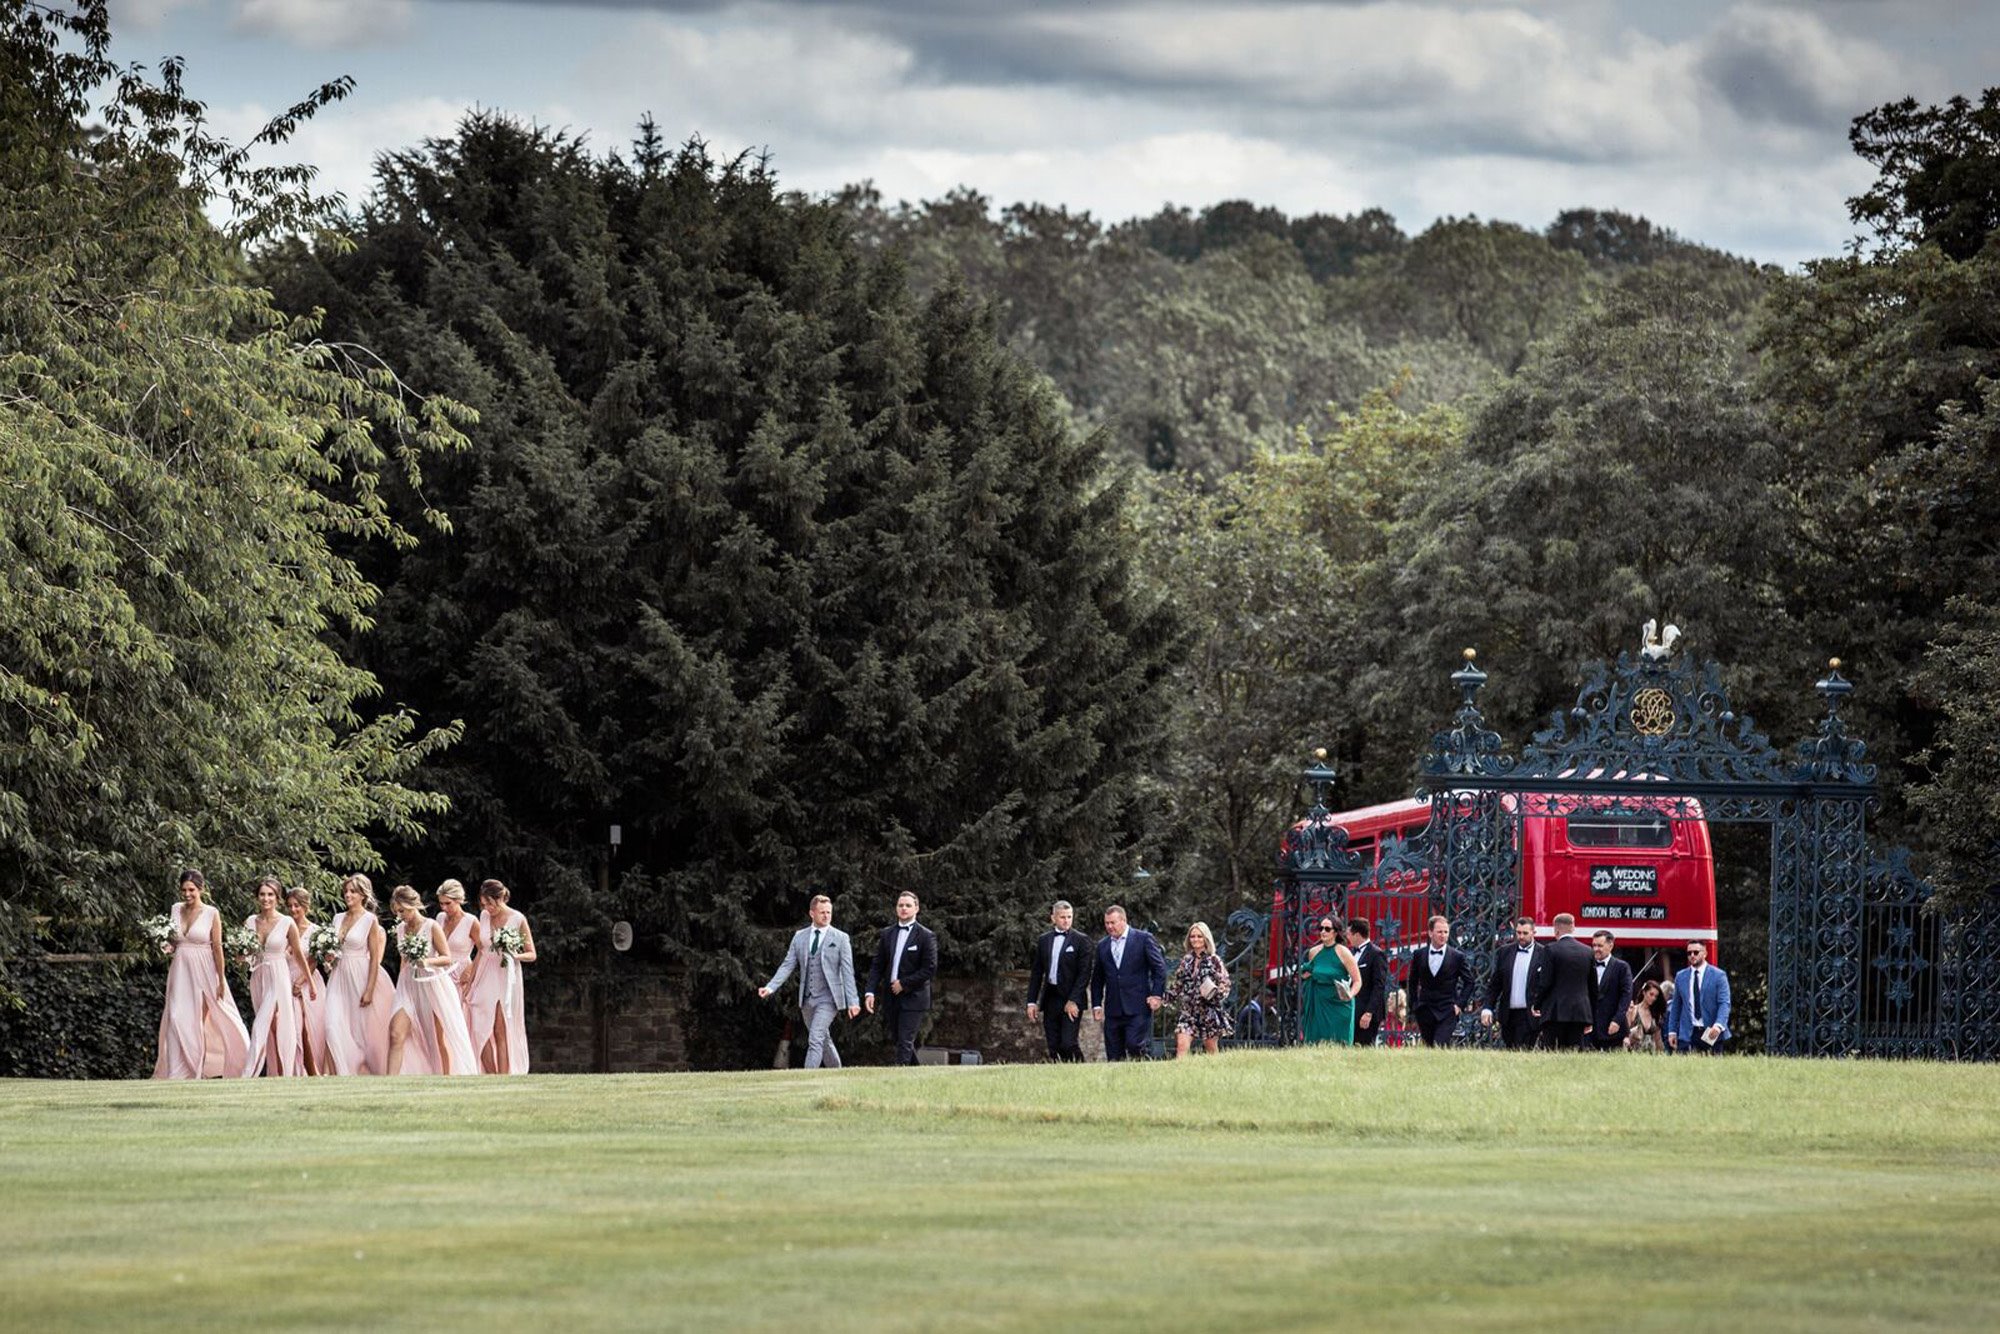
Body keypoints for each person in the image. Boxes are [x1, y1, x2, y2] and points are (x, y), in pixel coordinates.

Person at [151, 870, 251, 1079]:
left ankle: (208, 1067)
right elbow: (173, 941)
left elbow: (217, 948)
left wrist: (220, 979)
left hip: (205, 969)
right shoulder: (175, 909)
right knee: (176, 1016)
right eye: (184, 890)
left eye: (191, 890)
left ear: (201, 889)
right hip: (180, 970)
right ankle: (178, 1071)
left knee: (201, 1019)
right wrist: (164, 942)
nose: (187, 894)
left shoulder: (211, 913)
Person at [386, 885, 479, 1076]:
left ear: (413, 905)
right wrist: (399, 988)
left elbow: (446, 957)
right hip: (408, 984)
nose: (400, 915)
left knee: (438, 1038)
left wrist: (426, 961)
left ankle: (445, 1077)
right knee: (396, 1033)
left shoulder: (431, 926)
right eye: (397, 912)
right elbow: (403, 960)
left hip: (432, 983)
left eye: (402, 910)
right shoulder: (401, 929)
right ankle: (390, 1081)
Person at [760, 894, 860, 1069]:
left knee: (815, 1038)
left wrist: (853, 1001)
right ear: (812, 913)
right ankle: (837, 1072)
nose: (826, 916)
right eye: (822, 912)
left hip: (829, 998)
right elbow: (787, 965)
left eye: (829, 912)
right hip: (807, 999)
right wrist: (770, 987)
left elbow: (847, 971)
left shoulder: (841, 938)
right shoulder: (800, 937)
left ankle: (807, 1077)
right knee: (823, 1038)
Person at [321, 873, 393, 1076]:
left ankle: (365, 1071)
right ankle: (341, 1071)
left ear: (363, 894)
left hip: (360, 976)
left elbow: (374, 958)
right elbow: (332, 949)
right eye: (346, 891)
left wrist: (369, 989)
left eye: (352, 891)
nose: (347, 895)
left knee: (361, 1031)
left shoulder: (370, 920)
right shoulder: (337, 918)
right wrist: (327, 956)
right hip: (338, 976)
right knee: (332, 1025)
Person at [242, 876, 313, 1077]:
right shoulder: (250, 922)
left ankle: (248, 1074)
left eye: (270, 894)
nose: (266, 898)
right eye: (262, 894)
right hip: (258, 976)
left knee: (260, 1025)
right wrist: (240, 955)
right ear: (257, 897)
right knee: (269, 1026)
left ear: (277, 897)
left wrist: (311, 984)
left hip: (278, 976)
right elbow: (246, 953)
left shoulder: (286, 922)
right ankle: (280, 1071)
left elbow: (298, 954)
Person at [468, 879, 535, 1074]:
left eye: (490, 903)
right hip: (485, 972)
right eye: (484, 904)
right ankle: (490, 1072)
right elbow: (481, 950)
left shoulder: (517, 918)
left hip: (506, 975)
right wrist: (470, 980)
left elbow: (532, 953)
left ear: (500, 898)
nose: (487, 908)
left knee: (500, 1028)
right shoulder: (484, 916)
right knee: (477, 1023)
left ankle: (504, 1075)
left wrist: (515, 955)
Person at [864, 891, 938, 1066]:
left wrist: (904, 984)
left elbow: (929, 968)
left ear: (916, 908)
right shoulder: (887, 934)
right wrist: (870, 992)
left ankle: (899, 1075)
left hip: (914, 996)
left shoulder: (926, 936)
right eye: (900, 905)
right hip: (891, 995)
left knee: (905, 1040)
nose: (904, 909)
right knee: (899, 1040)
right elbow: (877, 965)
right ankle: (915, 1072)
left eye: (908, 905)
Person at [1090, 905, 1166, 1061]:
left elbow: (1160, 969)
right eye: (1107, 923)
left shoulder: (1143, 939)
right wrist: (1097, 1004)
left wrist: (1157, 995)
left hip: (1138, 1006)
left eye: (1113, 922)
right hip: (1113, 1008)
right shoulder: (1102, 946)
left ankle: (1143, 1072)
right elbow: (1097, 978)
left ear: (1123, 920)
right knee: (1113, 1054)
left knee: (1134, 1045)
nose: (1109, 927)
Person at [1025, 899, 1091, 1061]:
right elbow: (1037, 973)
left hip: (1071, 998)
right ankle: (1060, 1075)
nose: (1066, 920)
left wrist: (1073, 1000)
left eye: (1069, 917)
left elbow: (1084, 974)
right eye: (1062, 917)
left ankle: (1082, 1070)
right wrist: (1031, 1002)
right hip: (1051, 997)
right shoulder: (1044, 940)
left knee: (1068, 1043)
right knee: (1053, 1044)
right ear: (1053, 918)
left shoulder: (1081, 940)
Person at [1479, 916, 1548, 1050]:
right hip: (1508, 1014)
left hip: (1529, 1014)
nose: (1521, 937)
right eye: (1518, 933)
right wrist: (1487, 1008)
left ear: (1534, 933)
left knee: (1522, 1049)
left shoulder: (1544, 953)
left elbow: (1547, 985)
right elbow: (1495, 984)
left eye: (1525, 933)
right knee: (1511, 1048)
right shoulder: (1505, 952)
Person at [1166, 921, 1234, 1056]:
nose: (1195, 939)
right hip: (1188, 1012)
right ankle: (1179, 1076)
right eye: (1192, 936)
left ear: (1206, 939)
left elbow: (1225, 983)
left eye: (1199, 936)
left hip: (1208, 1012)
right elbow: (1178, 985)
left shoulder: (1214, 960)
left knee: (1211, 1051)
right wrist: (1163, 998)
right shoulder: (1186, 960)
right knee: (1181, 1047)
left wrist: (1214, 994)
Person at [1533, 912, 1598, 1050]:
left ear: (1555, 929)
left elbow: (1545, 982)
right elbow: (1593, 987)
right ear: (1573, 928)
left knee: (1553, 1051)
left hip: (1555, 1011)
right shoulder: (1587, 951)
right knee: (1575, 1052)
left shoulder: (1550, 949)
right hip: (1580, 1012)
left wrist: (1537, 1004)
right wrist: (1590, 1014)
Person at [1406, 916, 1473, 1047]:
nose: (1443, 935)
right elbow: (1412, 981)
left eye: (1445, 932)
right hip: (1425, 1009)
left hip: (1447, 1009)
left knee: (1440, 1044)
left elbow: (1469, 982)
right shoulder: (1419, 954)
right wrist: (1414, 1005)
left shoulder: (1457, 957)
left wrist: (1459, 1004)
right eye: (1439, 932)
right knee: (1429, 1047)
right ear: (1430, 933)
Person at [283, 886, 327, 1075]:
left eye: (297, 906)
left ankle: (314, 1070)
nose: (293, 910)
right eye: (290, 906)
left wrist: (301, 982)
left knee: (310, 1029)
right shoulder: (283, 927)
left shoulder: (315, 931)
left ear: (305, 906)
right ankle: (294, 1070)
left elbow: (314, 960)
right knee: (294, 1028)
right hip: (286, 978)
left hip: (308, 981)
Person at [1298, 917, 1362, 1045]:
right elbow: (1310, 973)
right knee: (1317, 1042)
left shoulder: (1344, 952)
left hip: (1339, 1003)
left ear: (1335, 932)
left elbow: (1357, 981)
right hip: (1319, 1002)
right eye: (1320, 928)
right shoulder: (1314, 952)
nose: (1323, 932)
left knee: (1339, 1043)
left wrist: (1350, 994)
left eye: (1327, 929)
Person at [1667, 940, 1732, 1054]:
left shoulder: (1718, 976)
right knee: (1686, 1069)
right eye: (1689, 953)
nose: (1692, 955)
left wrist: (1718, 1025)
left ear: (1705, 953)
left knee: (1712, 1068)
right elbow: (1676, 1006)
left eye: (1696, 952)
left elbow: (1724, 1003)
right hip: (1688, 1032)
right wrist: (1672, 1031)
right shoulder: (1681, 976)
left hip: (1710, 1030)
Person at [433, 878, 480, 1029]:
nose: (444, 908)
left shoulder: (471, 921)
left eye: (448, 903)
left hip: (460, 975)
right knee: (439, 1020)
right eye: (441, 903)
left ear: (459, 900)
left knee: (456, 1021)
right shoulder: (440, 918)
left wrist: (470, 969)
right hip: (439, 971)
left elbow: (484, 950)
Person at [1588, 931, 1635, 1051]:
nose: (1596, 949)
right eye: (1594, 945)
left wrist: (1617, 1020)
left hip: (1614, 1029)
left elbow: (1626, 996)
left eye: (1600, 945)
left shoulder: (1622, 967)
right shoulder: (1588, 965)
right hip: (1590, 1029)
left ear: (1610, 945)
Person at [1344, 920, 1387, 1045]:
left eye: (1349, 934)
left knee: (1364, 1046)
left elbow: (1379, 986)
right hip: (1353, 1008)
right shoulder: (1351, 953)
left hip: (1367, 1011)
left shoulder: (1377, 954)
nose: (1347, 937)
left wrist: (1368, 1013)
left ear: (1357, 935)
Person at [1625, 979, 1665, 1053]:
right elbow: (1626, 1033)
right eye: (1651, 994)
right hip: (1634, 1053)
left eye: (1656, 996)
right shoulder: (1634, 1010)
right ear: (1644, 992)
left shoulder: (1656, 1014)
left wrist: (1661, 1055)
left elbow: (1658, 1039)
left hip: (1651, 1055)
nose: (1653, 998)